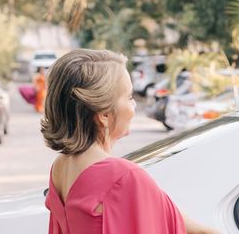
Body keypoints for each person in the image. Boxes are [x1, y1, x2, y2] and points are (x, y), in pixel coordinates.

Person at [40, 49, 219, 234]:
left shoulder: (60, 167)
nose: (134, 106)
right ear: (103, 114)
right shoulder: (123, 177)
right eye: (129, 97)